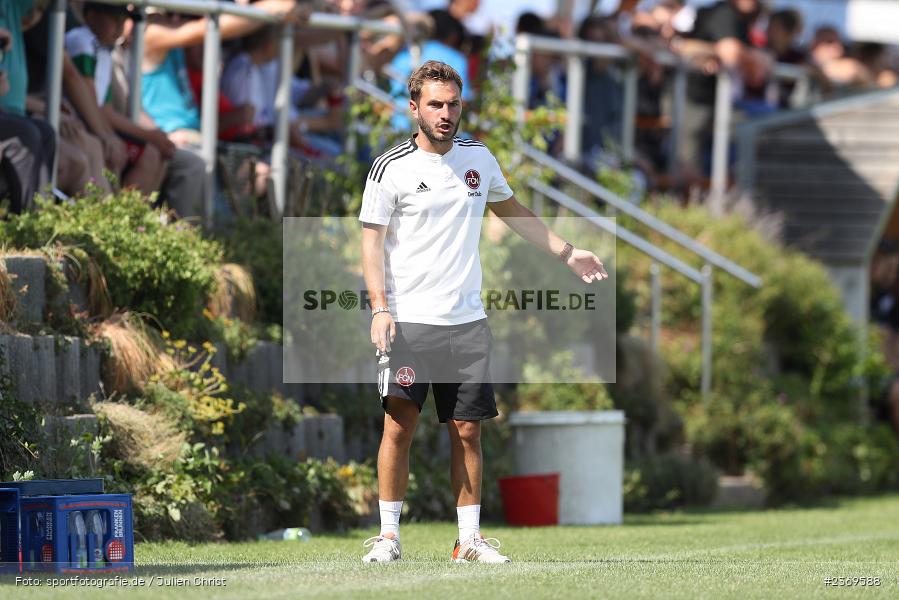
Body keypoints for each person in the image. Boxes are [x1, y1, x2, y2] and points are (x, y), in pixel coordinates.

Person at [358, 60, 608, 564]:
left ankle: (468, 541)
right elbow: (371, 243)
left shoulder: (479, 158)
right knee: (398, 426)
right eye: (435, 104)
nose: (446, 113)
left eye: (452, 103)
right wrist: (379, 309)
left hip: (466, 323)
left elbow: (511, 211)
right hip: (407, 323)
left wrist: (567, 251)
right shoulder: (390, 168)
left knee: (468, 430)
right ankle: (388, 538)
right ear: (414, 109)